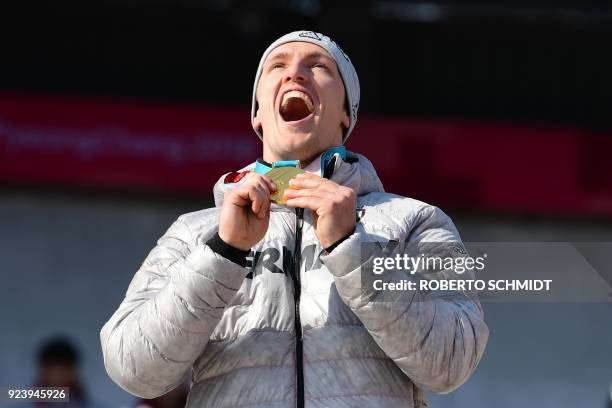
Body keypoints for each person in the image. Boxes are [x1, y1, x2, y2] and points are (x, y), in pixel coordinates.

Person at [100, 30, 489, 408]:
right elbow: (133, 369)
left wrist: (351, 248)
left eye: (319, 66)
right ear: (257, 113)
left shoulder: (416, 221)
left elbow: (452, 364)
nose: (295, 73)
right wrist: (223, 252)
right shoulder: (194, 233)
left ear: (345, 114)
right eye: (277, 65)